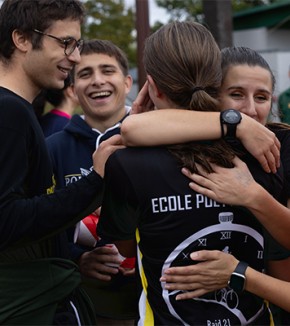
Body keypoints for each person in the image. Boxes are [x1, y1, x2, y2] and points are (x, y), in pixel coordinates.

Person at [97, 21, 283, 325]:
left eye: (261, 97)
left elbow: (124, 248)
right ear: (217, 83)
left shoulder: (127, 163)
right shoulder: (264, 152)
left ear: (152, 86)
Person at [0, 1, 123, 324]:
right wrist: (93, 181)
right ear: (22, 39)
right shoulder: (9, 113)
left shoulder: (16, 111)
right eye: (66, 43)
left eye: (77, 44)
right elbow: (6, 220)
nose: (76, 55)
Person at [46, 39, 137, 325]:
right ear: (72, 89)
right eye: (85, 74)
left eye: (107, 71)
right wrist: (77, 259)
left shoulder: (156, 141)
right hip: (81, 304)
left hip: (152, 300)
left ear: (127, 83)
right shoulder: (51, 148)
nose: (97, 81)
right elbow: (40, 224)